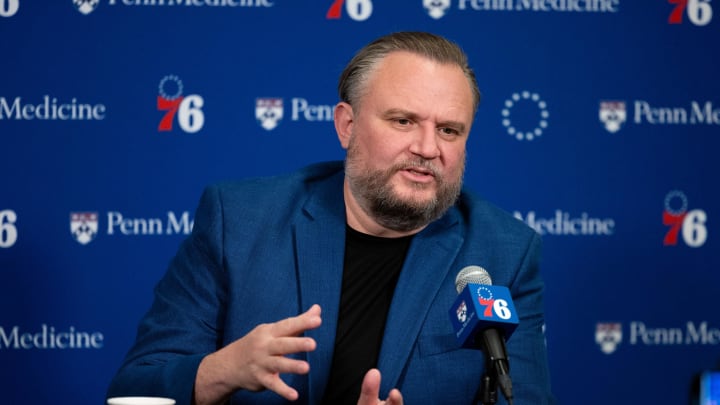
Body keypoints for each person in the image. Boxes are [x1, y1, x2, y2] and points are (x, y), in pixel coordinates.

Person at [107, 31, 554, 405]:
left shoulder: (502, 252)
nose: (427, 147)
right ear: (346, 125)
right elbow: (136, 387)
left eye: (449, 130)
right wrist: (224, 369)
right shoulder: (240, 222)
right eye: (402, 121)